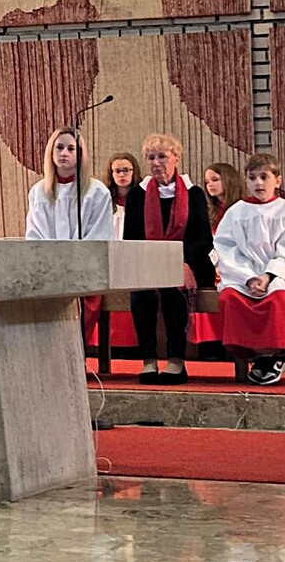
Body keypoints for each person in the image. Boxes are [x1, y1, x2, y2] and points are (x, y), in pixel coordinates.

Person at [123, 133, 215, 384]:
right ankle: (148, 359)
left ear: (176, 158)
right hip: (149, 261)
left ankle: (176, 360)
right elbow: (131, 238)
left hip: (188, 262)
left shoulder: (194, 193)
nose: (156, 163)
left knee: (174, 288)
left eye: (162, 156)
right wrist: (151, 261)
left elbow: (203, 239)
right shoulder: (137, 195)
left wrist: (180, 261)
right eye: (151, 157)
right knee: (141, 291)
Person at [214, 153, 285, 385]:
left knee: (278, 298)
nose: (258, 183)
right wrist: (249, 278)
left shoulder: (283, 210)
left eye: (264, 177)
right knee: (231, 298)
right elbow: (225, 248)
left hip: (277, 273)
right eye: (252, 178)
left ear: (278, 180)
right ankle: (254, 355)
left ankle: (275, 355)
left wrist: (268, 275)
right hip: (243, 275)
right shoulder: (237, 212)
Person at [25, 127, 113, 240]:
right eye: (59, 147)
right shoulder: (38, 192)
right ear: (51, 152)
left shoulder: (97, 191)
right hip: (46, 251)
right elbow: (34, 235)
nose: (64, 153)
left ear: (80, 154)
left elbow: (100, 234)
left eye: (71, 149)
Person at [104, 152, 142, 240]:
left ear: (134, 172)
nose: (121, 175)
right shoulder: (105, 199)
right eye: (117, 171)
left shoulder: (141, 197)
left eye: (126, 170)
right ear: (111, 173)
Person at [203, 162, 245, 232]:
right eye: (207, 182)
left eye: (215, 180)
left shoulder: (243, 208)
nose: (210, 185)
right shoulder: (210, 212)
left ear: (229, 180)